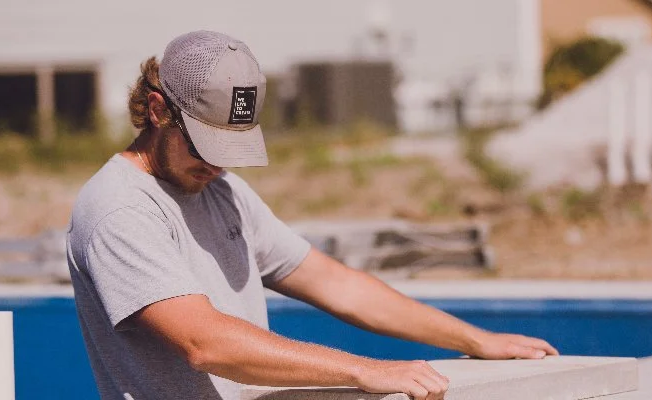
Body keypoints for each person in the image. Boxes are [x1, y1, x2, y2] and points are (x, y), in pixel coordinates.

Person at [66, 30, 557, 400]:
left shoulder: (223, 191)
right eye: (204, 143)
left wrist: (475, 338)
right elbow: (206, 343)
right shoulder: (121, 209)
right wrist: (364, 369)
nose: (217, 163)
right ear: (157, 110)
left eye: (229, 147)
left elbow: (335, 283)